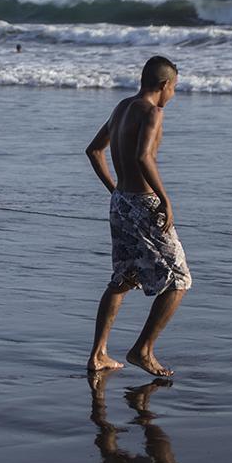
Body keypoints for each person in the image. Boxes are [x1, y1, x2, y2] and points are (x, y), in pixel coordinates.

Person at [83, 56, 189, 378]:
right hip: (144, 204)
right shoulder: (154, 112)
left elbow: (94, 150)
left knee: (123, 277)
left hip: (121, 202)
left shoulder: (121, 108)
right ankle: (143, 350)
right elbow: (144, 157)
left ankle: (98, 354)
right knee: (180, 279)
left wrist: (115, 189)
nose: (172, 95)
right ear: (164, 85)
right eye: (174, 89)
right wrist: (165, 199)